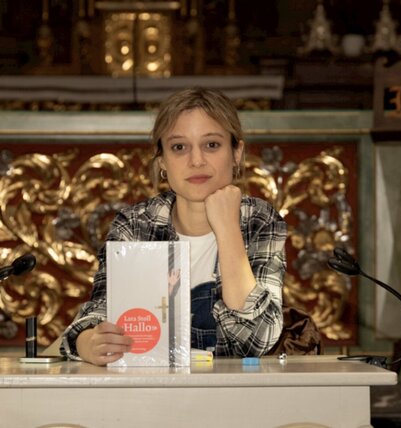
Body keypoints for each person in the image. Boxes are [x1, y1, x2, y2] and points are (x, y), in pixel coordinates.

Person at [60, 87, 287, 365]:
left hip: (232, 387)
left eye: (211, 145)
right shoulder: (135, 225)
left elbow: (257, 338)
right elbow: (98, 312)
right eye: (179, 147)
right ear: (162, 162)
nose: (196, 161)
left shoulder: (260, 220)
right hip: (149, 387)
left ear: (236, 153)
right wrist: (87, 342)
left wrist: (228, 228)